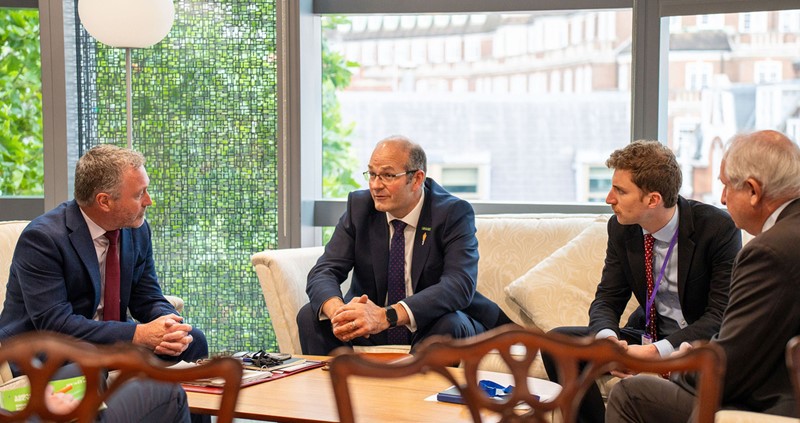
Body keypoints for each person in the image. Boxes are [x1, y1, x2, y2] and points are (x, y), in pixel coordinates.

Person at [606, 130, 800, 422]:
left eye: (726, 187)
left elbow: (732, 360)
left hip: (774, 401)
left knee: (630, 394)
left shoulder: (768, 251)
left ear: (753, 191)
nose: (722, 199)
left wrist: (674, 368)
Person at [543, 140, 741, 422]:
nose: (609, 198)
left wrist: (654, 352)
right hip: (648, 333)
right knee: (559, 342)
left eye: (620, 191)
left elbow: (719, 316)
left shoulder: (717, 229)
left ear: (653, 200)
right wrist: (609, 342)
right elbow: (607, 298)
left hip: (696, 345)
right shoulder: (621, 228)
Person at [296, 135, 511, 355]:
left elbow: (459, 285)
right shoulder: (360, 208)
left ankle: (415, 390)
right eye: (372, 174)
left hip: (430, 321)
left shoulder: (451, 213)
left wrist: (386, 316)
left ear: (417, 179)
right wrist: (339, 314)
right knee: (310, 316)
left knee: (448, 325)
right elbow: (324, 271)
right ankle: (337, 388)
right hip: (373, 328)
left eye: (388, 175)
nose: (375, 185)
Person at [0, 144, 206, 362]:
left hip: (109, 340)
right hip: (44, 349)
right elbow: (55, 324)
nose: (149, 201)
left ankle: (167, 397)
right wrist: (139, 334)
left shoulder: (136, 229)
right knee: (90, 369)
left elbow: (146, 297)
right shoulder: (43, 239)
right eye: (139, 194)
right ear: (104, 201)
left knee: (194, 341)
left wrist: (170, 326)